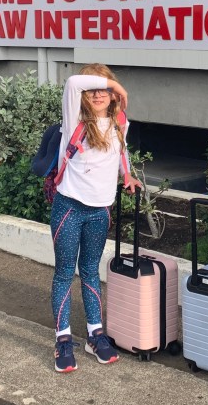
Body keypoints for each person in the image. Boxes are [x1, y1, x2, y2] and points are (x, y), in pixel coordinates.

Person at [49, 63, 141, 373]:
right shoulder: (74, 118)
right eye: (93, 90)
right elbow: (73, 82)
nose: (99, 94)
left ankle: (95, 335)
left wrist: (127, 175)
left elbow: (121, 152)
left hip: (100, 210)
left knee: (90, 270)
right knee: (65, 273)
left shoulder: (119, 122)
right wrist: (116, 85)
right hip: (69, 208)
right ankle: (63, 340)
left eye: (105, 89)